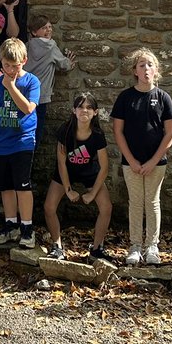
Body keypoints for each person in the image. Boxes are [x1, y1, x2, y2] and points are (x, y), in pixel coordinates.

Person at [111, 48, 172, 266]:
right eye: (141, 65)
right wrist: (131, 160)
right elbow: (118, 131)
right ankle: (135, 246)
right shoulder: (125, 98)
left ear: (156, 70)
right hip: (131, 163)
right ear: (135, 71)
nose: (146, 68)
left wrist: (153, 160)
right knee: (136, 202)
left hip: (156, 163)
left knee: (152, 201)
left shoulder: (163, 97)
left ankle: (152, 246)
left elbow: (170, 133)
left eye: (150, 64)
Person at [0, 38, 41, 247]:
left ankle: (27, 229)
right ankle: (11, 226)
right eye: (6, 65)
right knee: (5, 187)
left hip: (22, 143)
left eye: (14, 66)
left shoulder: (32, 82)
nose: (10, 70)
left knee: (22, 186)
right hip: (0, 143)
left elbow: (28, 108)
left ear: (23, 61)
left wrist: (12, 86)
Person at [42, 92, 112, 262]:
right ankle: (57, 246)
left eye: (89, 107)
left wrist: (92, 193)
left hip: (89, 172)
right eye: (80, 107)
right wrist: (68, 190)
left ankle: (96, 249)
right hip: (67, 172)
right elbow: (61, 162)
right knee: (48, 207)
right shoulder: (65, 130)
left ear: (95, 112)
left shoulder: (97, 135)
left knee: (107, 207)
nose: (84, 111)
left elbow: (104, 167)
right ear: (74, 110)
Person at [24, 14, 75, 142]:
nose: (48, 30)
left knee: (24, 125)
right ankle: (33, 153)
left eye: (49, 27)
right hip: (41, 95)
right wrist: (69, 61)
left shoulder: (27, 46)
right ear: (34, 32)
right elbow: (63, 65)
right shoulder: (50, 46)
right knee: (37, 127)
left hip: (24, 92)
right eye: (44, 28)